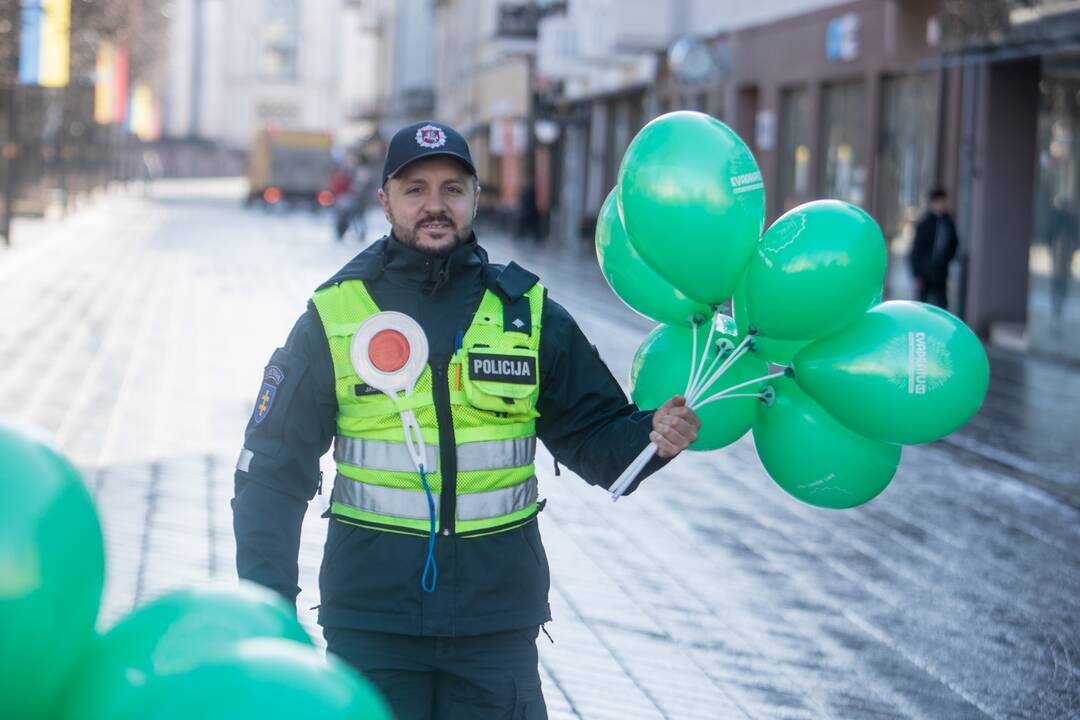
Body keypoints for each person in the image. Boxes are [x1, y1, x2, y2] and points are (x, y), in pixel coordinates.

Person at [232, 120, 700, 719]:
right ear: (385, 201)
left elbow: (600, 444)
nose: (435, 205)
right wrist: (270, 613)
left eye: (453, 188)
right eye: (416, 189)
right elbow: (271, 473)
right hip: (372, 624)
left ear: (476, 197)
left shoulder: (529, 315)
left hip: (495, 628)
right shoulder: (334, 314)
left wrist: (655, 439)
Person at [909, 186, 959, 309]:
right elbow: (916, 249)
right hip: (925, 271)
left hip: (941, 272)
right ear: (932, 203)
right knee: (922, 306)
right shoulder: (925, 223)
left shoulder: (948, 223)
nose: (940, 205)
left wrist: (946, 260)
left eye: (942, 202)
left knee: (942, 305)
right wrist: (916, 273)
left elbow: (954, 244)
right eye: (937, 202)